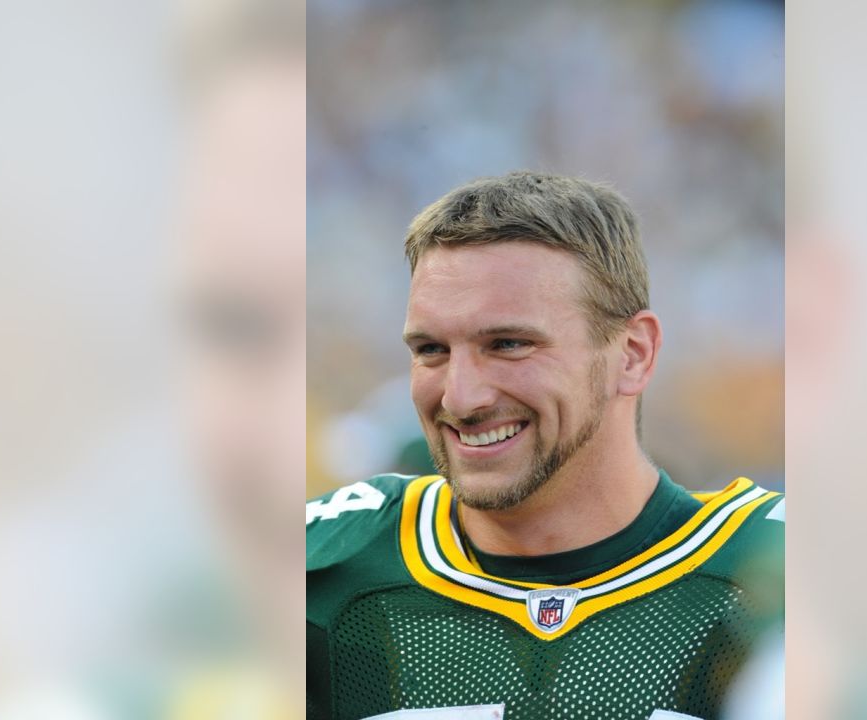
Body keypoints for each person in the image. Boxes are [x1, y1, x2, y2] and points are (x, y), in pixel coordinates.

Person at [306, 171, 784, 720]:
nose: (461, 398)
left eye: (508, 345)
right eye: (431, 349)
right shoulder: (319, 570)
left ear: (632, 354)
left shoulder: (780, 582)